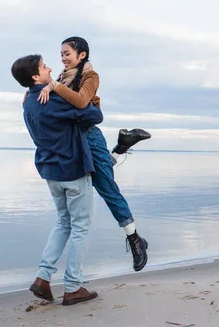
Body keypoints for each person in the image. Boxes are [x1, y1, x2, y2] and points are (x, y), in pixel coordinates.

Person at [36, 36, 149, 272]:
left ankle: (135, 238)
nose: (63, 58)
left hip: (89, 135)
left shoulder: (90, 76)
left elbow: (81, 101)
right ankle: (122, 146)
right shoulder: (59, 78)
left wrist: (54, 87)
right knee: (96, 176)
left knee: (105, 186)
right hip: (71, 138)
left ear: (82, 55)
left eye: (67, 53)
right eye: (61, 54)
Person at [11, 54, 101, 306]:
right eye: (44, 66)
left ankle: (43, 277)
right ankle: (73, 287)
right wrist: (88, 98)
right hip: (72, 168)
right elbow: (94, 116)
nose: (50, 67)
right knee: (80, 226)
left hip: (50, 170)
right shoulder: (53, 98)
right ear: (35, 76)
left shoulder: (28, 101)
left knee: (63, 222)